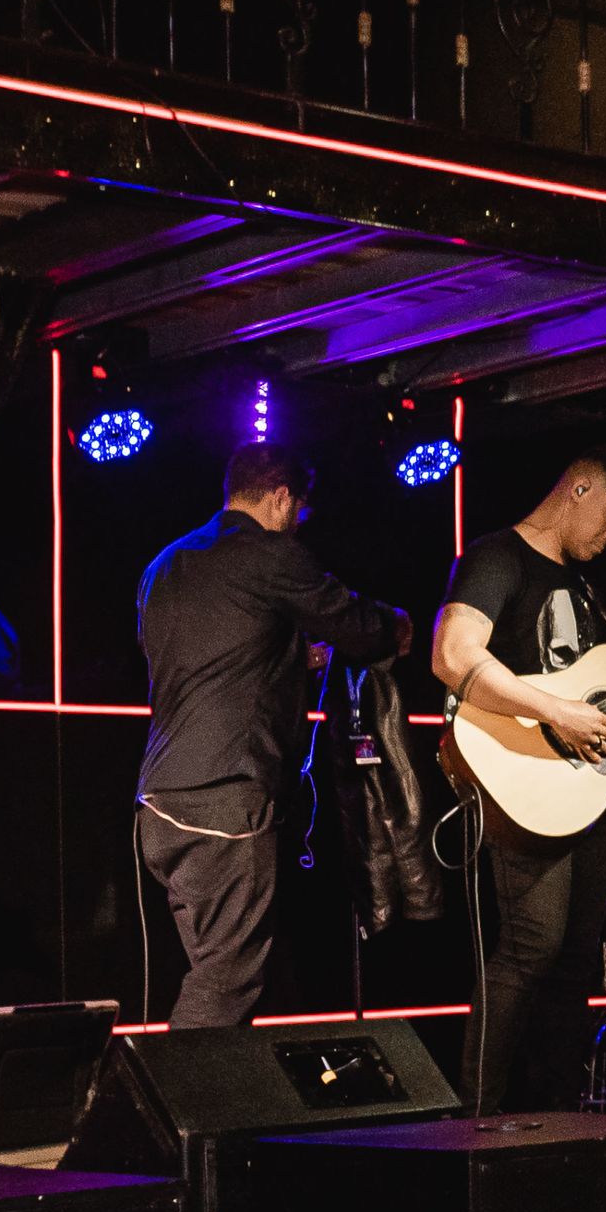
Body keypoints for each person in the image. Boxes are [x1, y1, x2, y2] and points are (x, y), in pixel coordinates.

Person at [135, 440, 410, 1029]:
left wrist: (291, 660)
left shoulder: (164, 565)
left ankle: (223, 1113)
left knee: (220, 969)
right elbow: (356, 624)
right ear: (283, 497)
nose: (297, 526)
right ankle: (182, 1116)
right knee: (226, 979)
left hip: (161, 801)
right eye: (299, 513)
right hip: (223, 794)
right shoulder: (267, 553)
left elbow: (212, 662)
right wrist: (400, 627)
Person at [433, 446, 606, 1112]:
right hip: (523, 784)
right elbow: (453, 654)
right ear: (580, 488)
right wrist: (554, 712)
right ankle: (476, 1119)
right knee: (530, 947)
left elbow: (582, 681)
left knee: (573, 960)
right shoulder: (496, 557)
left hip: (585, 793)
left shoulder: (583, 584)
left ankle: (559, 1118)